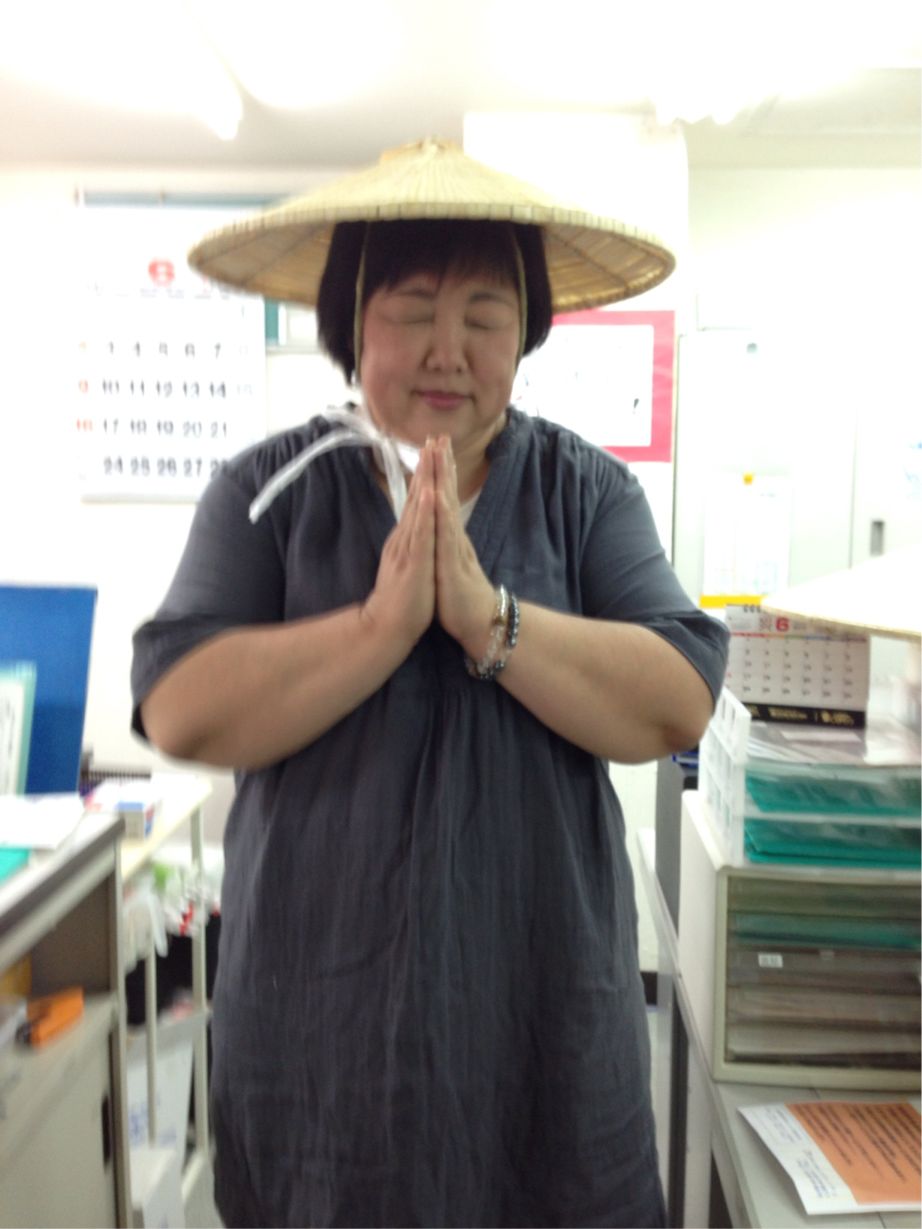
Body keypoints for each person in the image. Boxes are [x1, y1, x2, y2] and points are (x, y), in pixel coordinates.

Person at [131, 139, 729, 1228]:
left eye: (485, 315)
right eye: (412, 310)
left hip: (543, 1020)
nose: (447, 350)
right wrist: (378, 627)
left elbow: (677, 692)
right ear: (352, 325)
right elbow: (180, 702)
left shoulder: (585, 493)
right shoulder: (268, 491)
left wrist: (488, 619)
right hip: (319, 1040)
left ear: (526, 331)